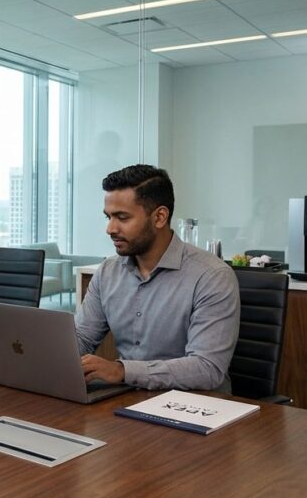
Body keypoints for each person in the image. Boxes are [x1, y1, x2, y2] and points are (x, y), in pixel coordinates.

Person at [76, 164, 240, 391]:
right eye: (108, 217)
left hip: (196, 408)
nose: (110, 228)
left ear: (160, 217)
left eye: (122, 218)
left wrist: (122, 371)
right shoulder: (108, 271)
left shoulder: (211, 276)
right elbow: (82, 338)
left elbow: (207, 368)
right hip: (128, 399)